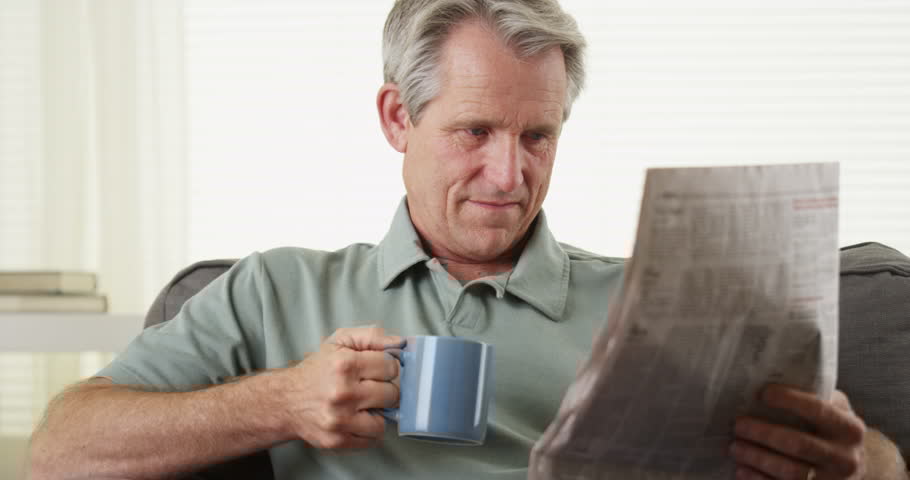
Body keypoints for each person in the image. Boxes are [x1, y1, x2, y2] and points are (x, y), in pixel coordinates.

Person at [28, 1, 907, 479]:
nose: (508, 175)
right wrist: (284, 404)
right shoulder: (274, 292)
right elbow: (59, 452)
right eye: (475, 131)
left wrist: (855, 460)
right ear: (397, 117)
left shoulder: (658, 303)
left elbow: (875, 463)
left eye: (538, 137)